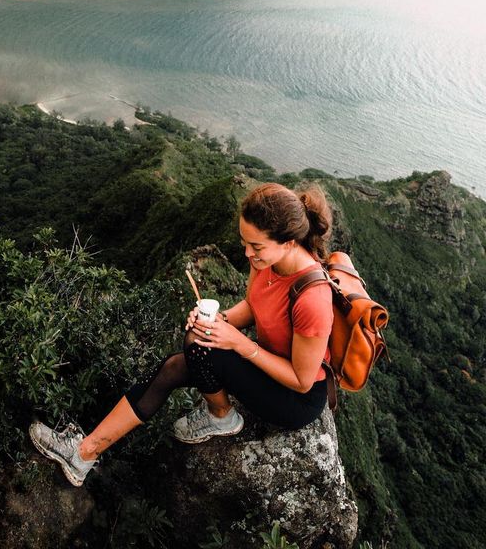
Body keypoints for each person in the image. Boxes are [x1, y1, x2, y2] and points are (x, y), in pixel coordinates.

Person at [29, 182, 334, 487]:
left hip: (294, 399)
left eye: (256, 247)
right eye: (245, 242)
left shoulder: (313, 299)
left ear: (289, 241)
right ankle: (84, 453)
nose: (247, 253)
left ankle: (221, 415)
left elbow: (302, 380)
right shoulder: (267, 260)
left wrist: (239, 343)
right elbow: (255, 307)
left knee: (201, 347)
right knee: (174, 365)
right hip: (266, 366)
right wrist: (219, 319)